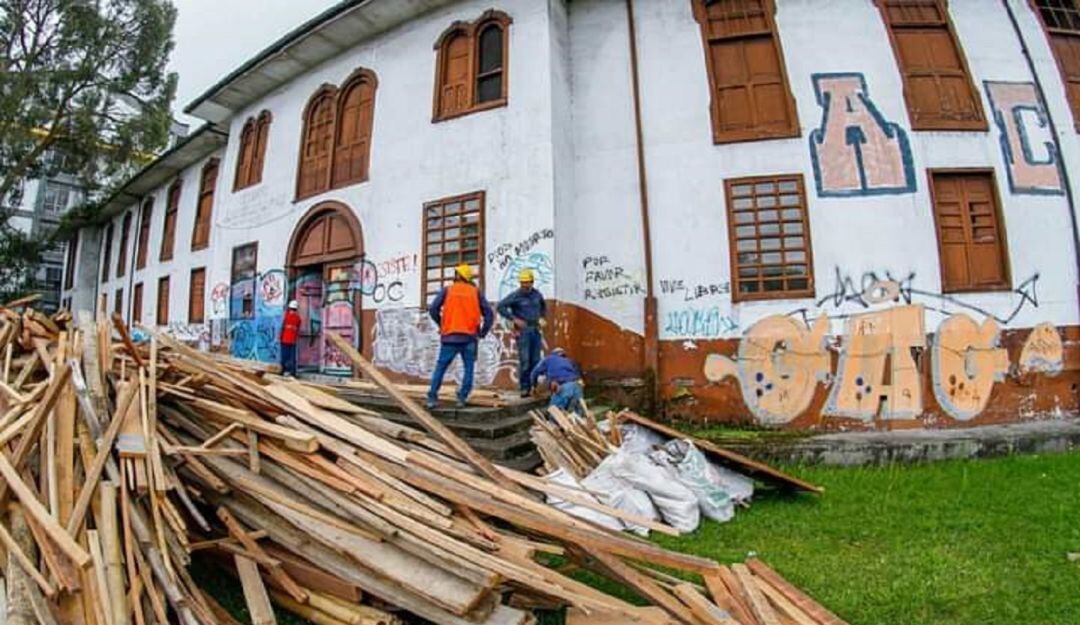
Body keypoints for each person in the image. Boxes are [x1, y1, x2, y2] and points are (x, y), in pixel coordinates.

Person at [427, 264, 494, 409]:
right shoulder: (476, 292)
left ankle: (432, 398)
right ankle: (462, 398)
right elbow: (489, 314)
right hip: (469, 338)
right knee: (469, 368)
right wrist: (483, 332)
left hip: (449, 337)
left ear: (458, 275)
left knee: (441, 367)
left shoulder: (447, 290)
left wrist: (442, 324)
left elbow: (433, 309)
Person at [497, 268, 546, 397]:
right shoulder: (516, 295)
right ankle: (524, 387)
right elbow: (500, 306)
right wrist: (514, 319)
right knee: (525, 360)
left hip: (535, 329)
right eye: (522, 282)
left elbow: (543, 306)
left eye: (527, 282)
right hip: (523, 332)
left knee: (535, 360)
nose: (525, 285)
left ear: (532, 282)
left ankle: (533, 386)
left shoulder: (537, 295)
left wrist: (542, 317)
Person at [531, 347, 584, 415]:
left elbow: (534, 373)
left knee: (555, 417)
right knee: (578, 417)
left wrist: (533, 386)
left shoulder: (548, 359)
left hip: (562, 387)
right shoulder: (569, 361)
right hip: (577, 387)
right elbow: (579, 375)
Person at [280, 300, 301, 377]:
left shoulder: (286, 317)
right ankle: (293, 372)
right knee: (292, 357)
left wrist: (280, 337)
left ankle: (283, 371)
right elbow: (297, 329)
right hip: (293, 341)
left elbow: (283, 327)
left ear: (290, 308)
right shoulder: (298, 318)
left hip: (285, 339)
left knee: (284, 356)